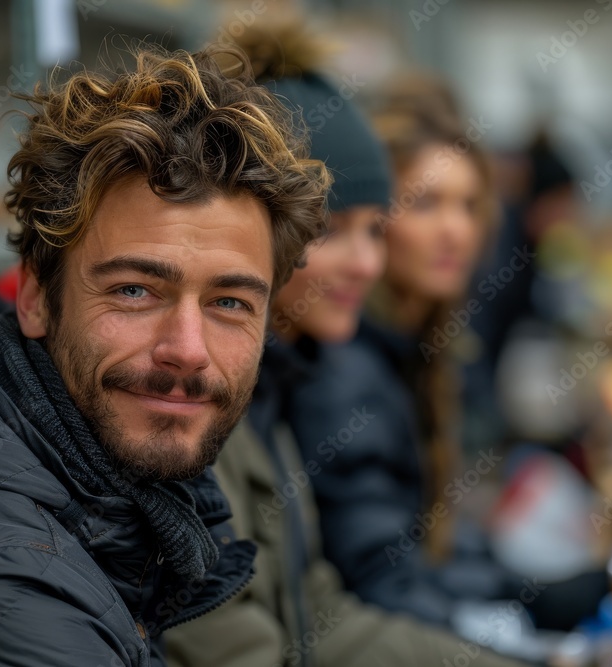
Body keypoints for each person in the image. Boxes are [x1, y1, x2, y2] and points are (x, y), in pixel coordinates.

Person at [0, 44, 330, 666]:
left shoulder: (103, 505)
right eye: (134, 291)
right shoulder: (3, 597)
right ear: (34, 296)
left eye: (229, 303)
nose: (187, 351)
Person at [164, 24, 525, 667]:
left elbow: (321, 616)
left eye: (375, 230)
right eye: (330, 230)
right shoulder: (195, 411)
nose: (366, 263)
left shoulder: (274, 395)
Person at [284, 77, 528, 627]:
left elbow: (421, 547)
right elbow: (379, 581)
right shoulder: (344, 364)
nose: (454, 231)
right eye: (425, 204)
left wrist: (519, 588)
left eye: (468, 205)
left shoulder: (415, 346)